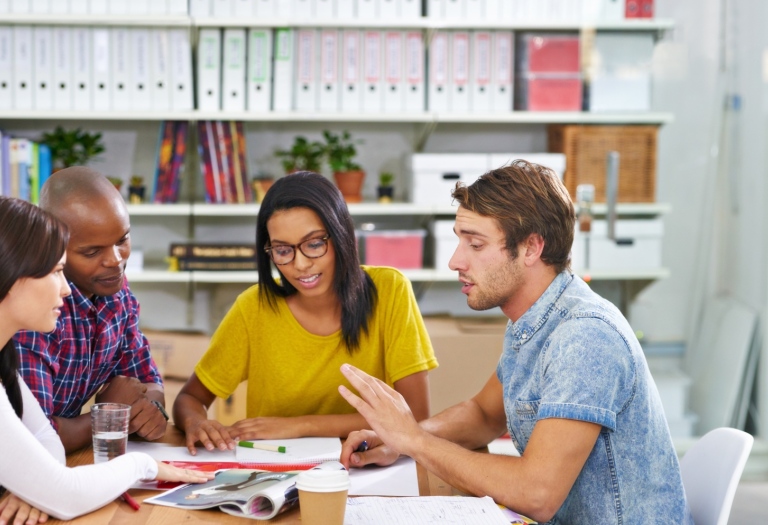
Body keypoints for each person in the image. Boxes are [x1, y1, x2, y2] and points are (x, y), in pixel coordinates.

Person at [337, 161, 693, 524]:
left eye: (475, 244)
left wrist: (415, 440)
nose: (455, 260)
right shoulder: (533, 320)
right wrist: (395, 439)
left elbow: (536, 494)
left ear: (531, 248)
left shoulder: (584, 337)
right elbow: (483, 415)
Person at [173, 171, 438, 454]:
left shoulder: (390, 290)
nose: (300, 264)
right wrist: (196, 422)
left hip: (368, 465)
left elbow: (415, 417)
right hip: (274, 470)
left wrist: (300, 426)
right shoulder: (253, 308)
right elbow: (189, 398)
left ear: (341, 236)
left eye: (313, 244)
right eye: (283, 250)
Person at [0, 196, 213, 524]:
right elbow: (65, 494)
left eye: (122, 240)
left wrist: (39, 484)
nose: (66, 289)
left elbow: (43, 441)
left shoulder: (4, 362)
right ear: (10, 275)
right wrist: (145, 465)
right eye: (55, 272)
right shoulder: (25, 337)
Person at [13, 167, 168, 454]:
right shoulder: (36, 312)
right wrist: (111, 414)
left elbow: (147, 381)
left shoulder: (116, 291)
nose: (115, 260)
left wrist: (151, 410)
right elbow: (32, 440)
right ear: (53, 247)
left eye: (122, 239)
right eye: (92, 252)